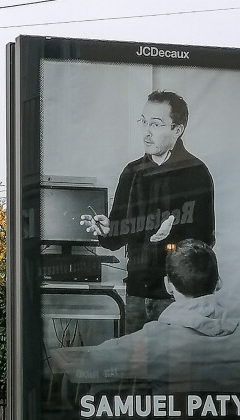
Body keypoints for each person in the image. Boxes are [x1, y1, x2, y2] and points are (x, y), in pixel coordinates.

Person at [49, 239, 240, 393]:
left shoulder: (152, 341)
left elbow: (82, 364)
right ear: (218, 282)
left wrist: (60, 356)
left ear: (168, 285)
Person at [81, 91, 215, 332]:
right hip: (135, 295)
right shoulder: (131, 173)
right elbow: (115, 239)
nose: (146, 131)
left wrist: (173, 233)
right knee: (136, 367)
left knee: (173, 368)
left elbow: (205, 244)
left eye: (155, 124)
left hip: (177, 299)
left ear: (178, 130)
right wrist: (107, 229)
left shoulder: (197, 173)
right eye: (143, 121)